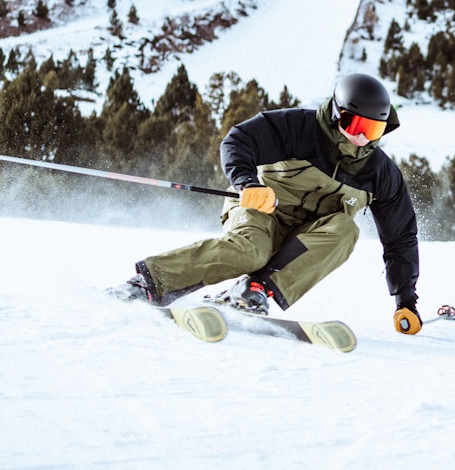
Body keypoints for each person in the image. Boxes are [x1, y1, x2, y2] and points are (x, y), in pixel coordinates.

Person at [109, 73, 422, 335]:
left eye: (373, 131)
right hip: (260, 209)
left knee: (346, 230)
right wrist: (248, 183)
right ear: (338, 113)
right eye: (355, 126)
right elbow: (238, 140)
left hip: (304, 238)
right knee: (250, 250)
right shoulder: (301, 128)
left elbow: (400, 238)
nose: (362, 138)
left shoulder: (380, 174)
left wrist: (405, 300)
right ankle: (149, 282)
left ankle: (256, 289)